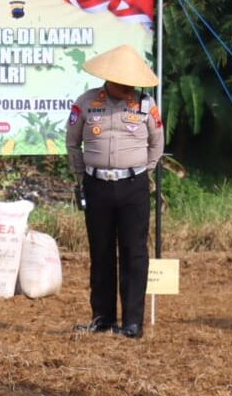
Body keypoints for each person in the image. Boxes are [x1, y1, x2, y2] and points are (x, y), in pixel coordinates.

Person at [64, 45, 163, 338]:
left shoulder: (146, 104)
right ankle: (103, 318)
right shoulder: (86, 102)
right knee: (101, 251)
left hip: (134, 187)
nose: (128, 87)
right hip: (96, 185)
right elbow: (72, 143)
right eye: (122, 80)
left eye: (132, 81)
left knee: (134, 253)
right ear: (109, 78)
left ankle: (132, 322)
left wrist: (143, 171)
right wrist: (82, 176)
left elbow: (157, 144)